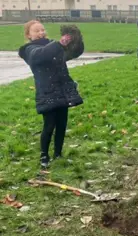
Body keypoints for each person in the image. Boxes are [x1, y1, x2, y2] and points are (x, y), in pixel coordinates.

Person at [18, 20, 84, 170]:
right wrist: (59, 44)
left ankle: (58, 154)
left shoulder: (53, 45)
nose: (41, 32)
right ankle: (44, 155)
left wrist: (76, 41)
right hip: (47, 92)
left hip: (62, 90)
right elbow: (41, 55)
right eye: (36, 31)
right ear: (29, 35)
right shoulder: (29, 50)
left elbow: (71, 53)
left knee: (62, 124)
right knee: (49, 126)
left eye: (42, 29)